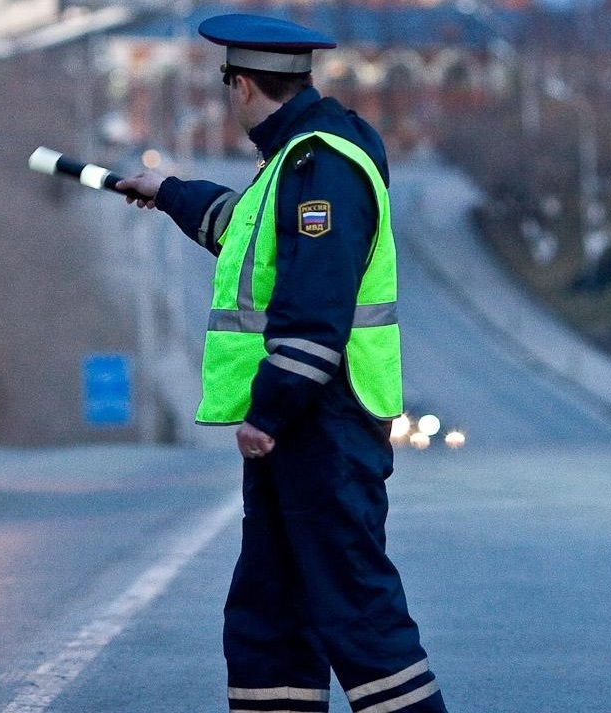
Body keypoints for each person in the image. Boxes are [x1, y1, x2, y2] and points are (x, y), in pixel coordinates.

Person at [116, 13, 448, 713]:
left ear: (240, 86)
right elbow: (245, 231)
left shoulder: (320, 164)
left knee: (358, 612)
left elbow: (315, 304)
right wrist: (167, 190)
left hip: (322, 423)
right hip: (307, 428)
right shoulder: (296, 161)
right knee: (270, 615)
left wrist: (267, 413)